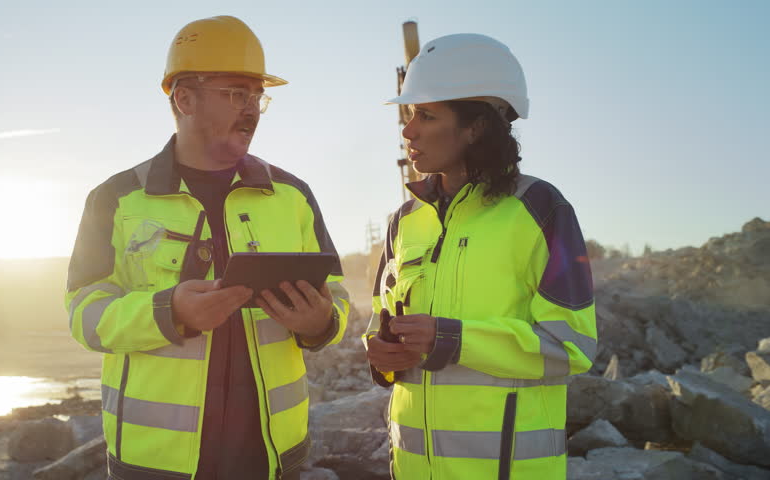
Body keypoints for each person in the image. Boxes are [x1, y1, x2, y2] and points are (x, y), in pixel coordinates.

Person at [65, 16, 349, 480]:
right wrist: (168, 311)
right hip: (154, 463)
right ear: (184, 98)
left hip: (271, 459)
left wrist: (322, 323)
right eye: (238, 93)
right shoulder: (116, 199)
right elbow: (83, 313)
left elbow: (335, 296)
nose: (253, 109)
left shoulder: (293, 195)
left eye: (259, 96)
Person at [364, 33, 597, 479]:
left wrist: (451, 339)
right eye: (410, 115)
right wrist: (380, 355)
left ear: (476, 127)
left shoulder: (542, 209)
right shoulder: (404, 221)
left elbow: (572, 346)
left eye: (425, 115)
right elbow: (381, 319)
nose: (408, 130)